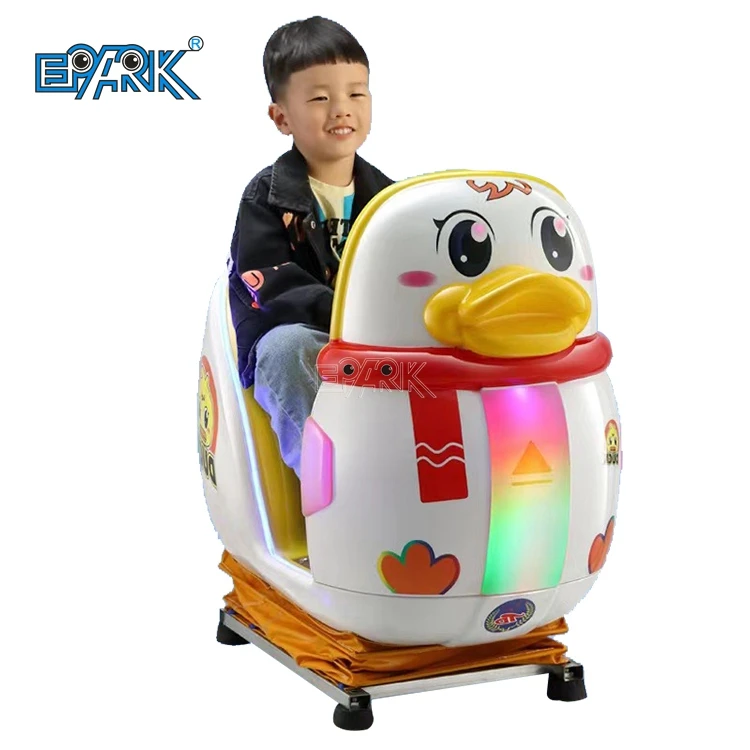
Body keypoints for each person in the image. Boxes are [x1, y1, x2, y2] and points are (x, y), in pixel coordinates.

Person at [227, 16, 394, 478]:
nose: (341, 109)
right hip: (312, 342)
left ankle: (415, 485)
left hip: (379, 349)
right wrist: (346, 314)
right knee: (286, 348)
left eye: (356, 94)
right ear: (282, 118)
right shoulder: (266, 197)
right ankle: (330, 491)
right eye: (320, 98)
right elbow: (270, 282)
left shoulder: (393, 201)